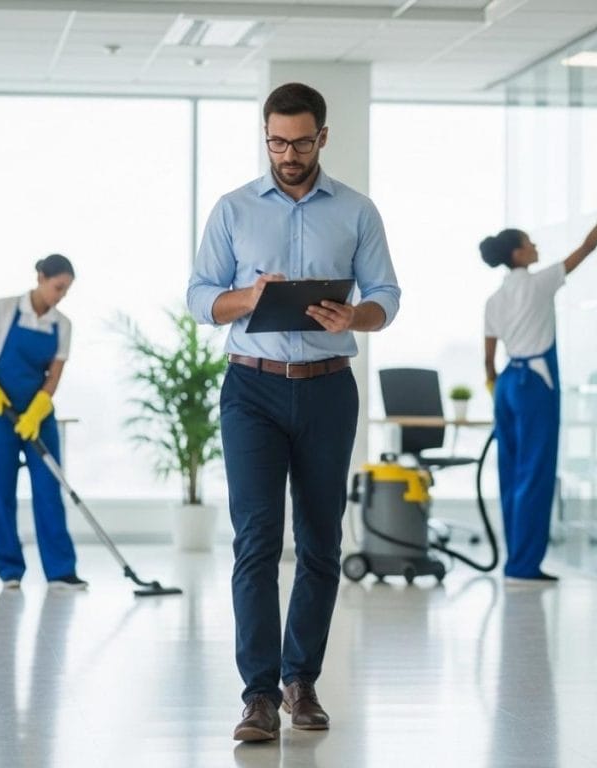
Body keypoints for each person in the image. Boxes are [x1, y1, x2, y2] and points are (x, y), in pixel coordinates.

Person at [187, 82, 400, 742]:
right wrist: (247, 297)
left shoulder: (357, 211)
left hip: (329, 386)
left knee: (319, 540)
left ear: (323, 138)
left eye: (300, 141)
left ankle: (299, 681)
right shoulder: (233, 210)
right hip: (251, 389)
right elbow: (199, 298)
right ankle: (257, 696)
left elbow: (386, 295)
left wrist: (355, 315)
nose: (287, 153)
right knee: (255, 540)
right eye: (276, 140)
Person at [481, 165, 597, 583]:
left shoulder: (494, 298)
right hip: (536, 385)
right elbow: (587, 248)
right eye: (529, 243)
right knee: (536, 474)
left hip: (507, 383)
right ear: (517, 255)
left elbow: (487, 359)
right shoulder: (539, 282)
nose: (535, 245)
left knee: (511, 473)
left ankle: (515, 561)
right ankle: (526, 565)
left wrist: (495, 388)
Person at [0, 254, 86, 591]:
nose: (60, 295)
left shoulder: (63, 325)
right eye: (58, 287)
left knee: (48, 489)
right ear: (41, 277)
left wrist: (37, 409)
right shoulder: (4, 309)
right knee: (1, 491)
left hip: (38, 416)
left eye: (66, 291)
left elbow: (54, 377)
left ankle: (60, 571)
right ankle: (10, 570)